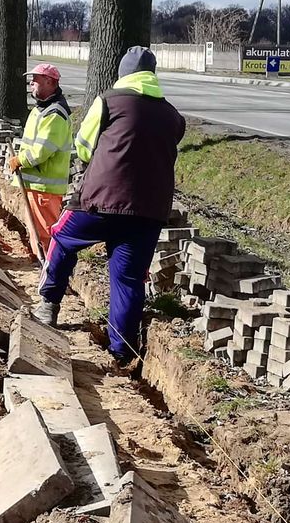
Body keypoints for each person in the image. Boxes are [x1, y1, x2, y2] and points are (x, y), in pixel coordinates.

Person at [34, 46, 185, 365]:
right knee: (128, 278)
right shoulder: (173, 115)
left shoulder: (109, 101)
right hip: (148, 211)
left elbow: (84, 148)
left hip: (100, 200)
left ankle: (48, 303)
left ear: (123, 74)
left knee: (62, 239)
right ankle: (121, 352)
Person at [6, 63, 72, 258]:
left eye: (35, 80)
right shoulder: (41, 109)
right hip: (35, 185)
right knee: (37, 233)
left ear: (50, 82)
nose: (31, 83)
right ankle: (43, 269)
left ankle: (52, 274)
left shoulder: (55, 114)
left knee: (46, 236)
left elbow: (41, 151)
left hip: (45, 189)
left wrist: (20, 160)